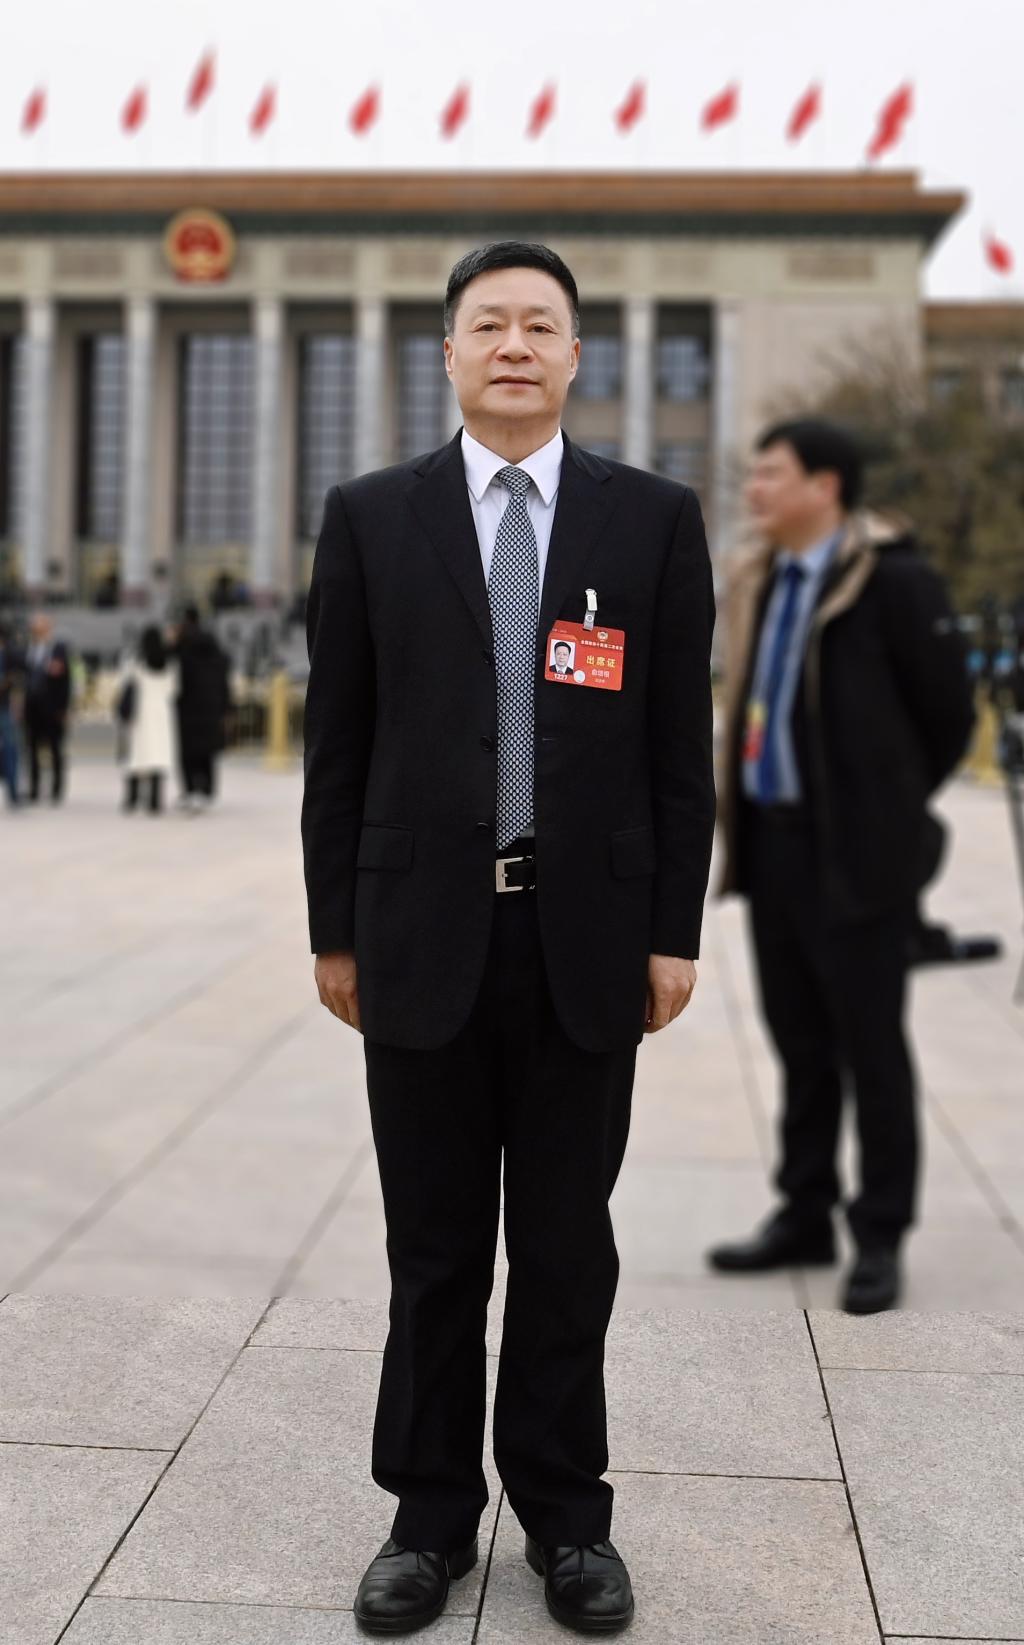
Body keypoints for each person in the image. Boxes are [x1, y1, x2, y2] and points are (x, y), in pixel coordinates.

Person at [302, 241, 715, 1636]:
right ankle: (427, 1516)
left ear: (577, 354)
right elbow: (338, 745)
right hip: (419, 932)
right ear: (450, 354)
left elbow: (677, 748)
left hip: (582, 940)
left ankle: (567, 1518)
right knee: (432, 1250)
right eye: (490, 325)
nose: (516, 346)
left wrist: (672, 929)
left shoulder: (650, 521)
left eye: (542, 325)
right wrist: (335, 930)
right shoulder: (372, 518)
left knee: (564, 1247)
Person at [711, 418, 975, 1314]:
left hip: (859, 856)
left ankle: (881, 1231)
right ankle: (805, 1210)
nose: (754, 489)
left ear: (825, 485)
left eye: (770, 473)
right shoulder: (761, 577)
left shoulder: (894, 581)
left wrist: (885, 805)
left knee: (872, 1047)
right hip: (774, 847)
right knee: (799, 1042)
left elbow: (949, 715)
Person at [171, 605, 230, 811]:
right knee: (207, 752)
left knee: (187, 753)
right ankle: (207, 790)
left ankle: (189, 790)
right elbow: (224, 681)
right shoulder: (214, 648)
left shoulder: (181, 648)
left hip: (186, 707)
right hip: (211, 707)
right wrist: (225, 707)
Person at [116, 625, 177, 814]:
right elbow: (174, 689)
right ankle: (155, 801)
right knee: (158, 755)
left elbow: (124, 682)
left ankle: (132, 798)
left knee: (136, 756)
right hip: (162, 713)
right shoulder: (170, 662)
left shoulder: (136, 661)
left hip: (140, 712)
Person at [23, 612, 71, 804]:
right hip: (32, 706)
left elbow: (66, 681)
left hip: (52, 708)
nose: (37, 630)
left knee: (55, 748)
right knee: (32, 748)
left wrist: (63, 707)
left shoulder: (59, 649)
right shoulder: (29, 648)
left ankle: (57, 788)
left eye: (41, 626)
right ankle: (34, 788)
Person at [0, 621, 24, 807]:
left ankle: (14, 792)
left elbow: (18, 678)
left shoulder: (10, 654)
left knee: (11, 749)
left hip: (5, 707)